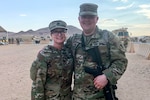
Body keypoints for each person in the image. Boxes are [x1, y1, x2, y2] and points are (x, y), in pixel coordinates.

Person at [66, 3, 128, 100]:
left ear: (97, 19)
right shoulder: (73, 40)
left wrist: (107, 76)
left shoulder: (109, 37)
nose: (87, 20)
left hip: (101, 96)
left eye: (91, 16)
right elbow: (61, 53)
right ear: (79, 19)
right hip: (78, 96)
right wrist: (47, 50)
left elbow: (121, 61)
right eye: (84, 16)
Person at [30, 20, 73, 100]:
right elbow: (38, 83)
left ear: (65, 33)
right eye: (55, 32)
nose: (59, 34)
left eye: (62, 31)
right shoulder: (45, 54)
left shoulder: (69, 52)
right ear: (51, 35)